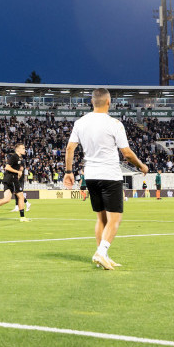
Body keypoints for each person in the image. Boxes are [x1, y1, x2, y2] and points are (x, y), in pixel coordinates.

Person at [64, 88, 148, 271]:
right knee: (114, 220)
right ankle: (102, 252)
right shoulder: (114, 124)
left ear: (92, 102)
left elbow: (70, 148)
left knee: (101, 219)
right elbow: (126, 153)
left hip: (91, 176)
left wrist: (68, 171)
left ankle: (103, 255)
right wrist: (141, 166)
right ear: (108, 102)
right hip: (109, 176)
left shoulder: (80, 122)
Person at [0, 143, 29, 222]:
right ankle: (22, 217)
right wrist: (18, 172)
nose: (24, 150)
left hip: (9, 179)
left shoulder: (20, 158)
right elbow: (7, 167)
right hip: (12, 179)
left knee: (7, 199)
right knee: (21, 197)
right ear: (18, 149)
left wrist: (18, 174)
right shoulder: (14, 157)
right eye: (23, 148)